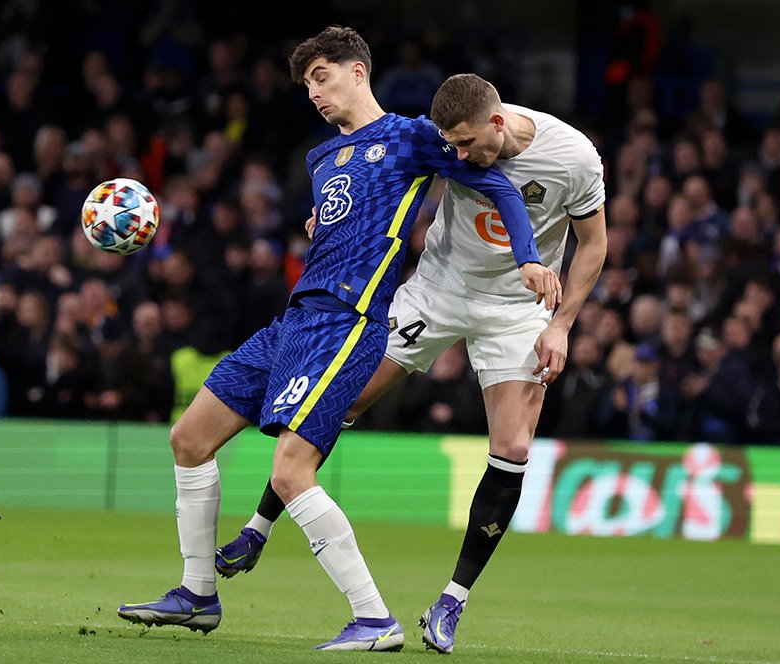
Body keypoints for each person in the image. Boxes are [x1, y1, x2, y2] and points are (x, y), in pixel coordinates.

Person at [115, 28, 556, 652]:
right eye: (306, 85)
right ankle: (197, 594)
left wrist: (529, 258)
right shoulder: (321, 160)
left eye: (321, 76)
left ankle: (374, 618)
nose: (315, 93)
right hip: (293, 319)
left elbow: (500, 186)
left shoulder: (410, 136)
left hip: (347, 323)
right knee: (188, 440)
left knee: (293, 471)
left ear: (358, 72)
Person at [215, 72, 608, 654]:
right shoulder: (444, 139)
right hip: (437, 289)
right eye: (453, 146)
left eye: (469, 145)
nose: (461, 156)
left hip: (518, 308)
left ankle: (451, 601)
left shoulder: (573, 158)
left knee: (515, 448)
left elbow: (593, 244)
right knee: (341, 395)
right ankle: (259, 526)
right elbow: (382, 177)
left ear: (497, 122)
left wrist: (561, 325)